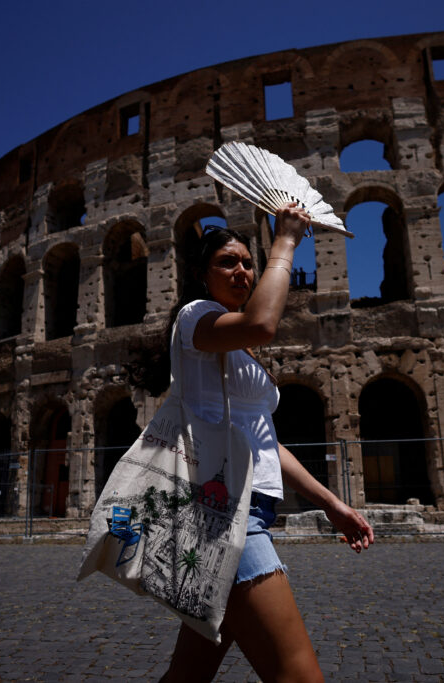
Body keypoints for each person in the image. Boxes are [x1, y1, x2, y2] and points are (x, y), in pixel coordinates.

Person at [158, 204, 374, 683]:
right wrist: (286, 241)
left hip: (248, 507)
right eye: (227, 262)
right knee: (300, 677)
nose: (242, 271)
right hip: (224, 513)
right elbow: (263, 323)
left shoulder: (231, 343)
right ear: (200, 274)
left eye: (247, 262)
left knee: (187, 676)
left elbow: (265, 444)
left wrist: (331, 504)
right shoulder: (196, 318)